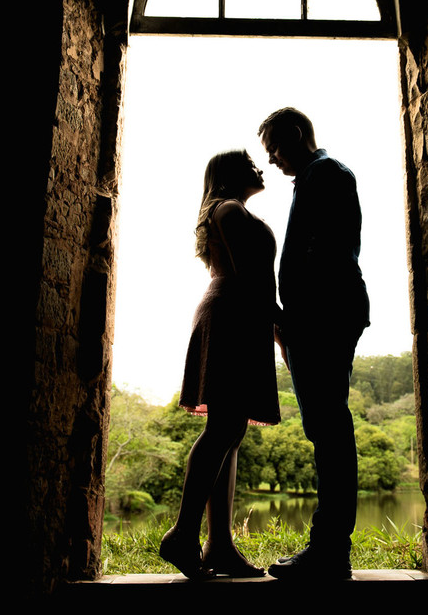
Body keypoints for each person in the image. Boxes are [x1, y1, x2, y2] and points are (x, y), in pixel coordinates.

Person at [158, 149, 283, 580]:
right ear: (229, 174)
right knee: (223, 428)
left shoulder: (233, 209)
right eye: (249, 164)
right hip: (232, 313)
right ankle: (183, 534)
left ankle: (220, 545)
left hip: (242, 315)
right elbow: (249, 275)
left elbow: (255, 279)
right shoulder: (228, 209)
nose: (259, 168)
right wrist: (280, 322)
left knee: (231, 431)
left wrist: (272, 326)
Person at [258, 107, 370, 581]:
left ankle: (329, 551)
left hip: (322, 318)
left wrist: (292, 321)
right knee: (327, 429)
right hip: (319, 318)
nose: (272, 159)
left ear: (297, 133)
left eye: (275, 148)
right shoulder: (315, 177)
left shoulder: (325, 174)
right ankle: (329, 549)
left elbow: (322, 255)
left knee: (329, 430)